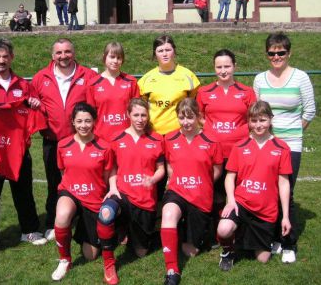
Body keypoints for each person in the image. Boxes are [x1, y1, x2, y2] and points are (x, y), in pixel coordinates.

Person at [0, 38, 47, 255]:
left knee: (24, 191)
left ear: (11, 57)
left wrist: (36, 104)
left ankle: (30, 230)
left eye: (5, 56)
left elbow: (39, 112)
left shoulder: (24, 85)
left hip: (18, 150)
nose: (1, 60)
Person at [253, 32, 316, 263]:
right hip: (267, 144)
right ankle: (275, 238)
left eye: (281, 52)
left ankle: (289, 243)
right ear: (267, 54)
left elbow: (310, 111)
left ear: (289, 53)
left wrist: (293, 132)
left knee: (286, 191)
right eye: (272, 53)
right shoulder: (260, 79)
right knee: (269, 193)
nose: (276, 56)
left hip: (291, 145)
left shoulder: (301, 78)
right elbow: (258, 111)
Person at [31, 38, 98, 242]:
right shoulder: (40, 77)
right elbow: (35, 104)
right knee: (55, 183)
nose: (63, 56)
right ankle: (53, 221)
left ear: (74, 53)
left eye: (67, 52)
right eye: (59, 53)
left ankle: (84, 219)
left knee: (86, 182)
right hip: (53, 141)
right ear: (53, 55)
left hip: (82, 141)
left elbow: (96, 106)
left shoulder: (88, 75)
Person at [216, 101, 292, 271]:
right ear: (248, 122)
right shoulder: (240, 146)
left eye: (263, 120)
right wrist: (231, 201)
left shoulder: (281, 147)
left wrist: (285, 216)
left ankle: (246, 238)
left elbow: (284, 182)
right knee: (223, 229)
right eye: (254, 120)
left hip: (266, 211)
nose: (258, 125)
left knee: (263, 259)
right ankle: (228, 251)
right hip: (242, 203)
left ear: (271, 120)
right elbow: (230, 177)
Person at [97, 98, 165, 285]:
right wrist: (112, 188)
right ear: (128, 115)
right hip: (123, 195)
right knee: (106, 213)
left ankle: (130, 231)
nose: (140, 119)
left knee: (141, 252)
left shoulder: (156, 139)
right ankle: (109, 264)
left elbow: (161, 168)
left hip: (145, 199)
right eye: (136, 114)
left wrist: (153, 179)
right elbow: (112, 169)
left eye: (144, 115)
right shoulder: (117, 139)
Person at [161, 98, 223, 285]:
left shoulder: (211, 140)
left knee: (192, 251)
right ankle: (172, 270)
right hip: (177, 191)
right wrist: (174, 180)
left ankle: (183, 232)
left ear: (198, 117)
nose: (185, 122)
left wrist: (203, 183)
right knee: (168, 212)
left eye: (190, 117)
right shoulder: (169, 138)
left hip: (200, 196)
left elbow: (218, 168)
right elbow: (170, 165)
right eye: (181, 117)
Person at [196, 49, 256, 241]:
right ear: (214, 68)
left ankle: (239, 230)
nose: (223, 71)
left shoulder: (247, 92)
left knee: (239, 192)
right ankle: (214, 232)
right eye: (219, 67)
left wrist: (237, 134)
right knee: (213, 192)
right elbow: (199, 116)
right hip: (213, 152)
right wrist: (212, 131)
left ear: (234, 67)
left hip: (238, 152)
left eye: (227, 66)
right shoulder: (204, 92)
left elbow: (253, 119)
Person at [51, 102, 114, 281]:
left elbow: (106, 176)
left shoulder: (105, 147)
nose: (83, 125)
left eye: (87, 121)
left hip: (94, 199)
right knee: (62, 215)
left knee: (90, 255)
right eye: (79, 121)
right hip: (70, 192)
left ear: (94, 121)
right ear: (73, 122)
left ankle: (84, 228)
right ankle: (65, 260)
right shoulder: (63, 145)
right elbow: (63, 172)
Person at [138, 35, 200, 136]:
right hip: (154, 135)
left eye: (168, 50)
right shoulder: (146, 80)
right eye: (160, 51)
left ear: (174, 52)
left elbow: (195, 105)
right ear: (155, 54)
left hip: (181, 135)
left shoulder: (189, 77)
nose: (165, 54)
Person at [86, 41, 140, 141]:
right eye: (112, 57)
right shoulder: (92, 84)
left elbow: (137, 111)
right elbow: (90, 114)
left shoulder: (131, 81)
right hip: (101, 138)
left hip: (126, 137)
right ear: (104, 57)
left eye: (119, 58)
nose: (115, 61)